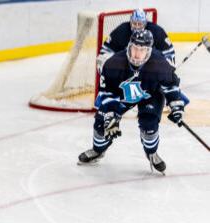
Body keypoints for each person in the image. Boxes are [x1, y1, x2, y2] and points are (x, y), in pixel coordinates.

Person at [78, 30, 185, 174]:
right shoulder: (113, 63)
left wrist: (176, 106)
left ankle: (152, 153)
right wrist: (111, 112)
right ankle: (98, 151)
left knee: (149, 125)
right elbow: (106, 92)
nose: (136, 53)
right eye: (135, 48)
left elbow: (171, 85)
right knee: (102, 122)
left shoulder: (159, 63)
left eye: (141, 50)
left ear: (148, 50)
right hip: (122, 95)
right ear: (129, 45)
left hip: (150, 94)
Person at [97, 9, 175, 72]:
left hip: (149, 74)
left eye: (140, 24)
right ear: (130, 22)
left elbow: (169, 53)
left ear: (145, 23)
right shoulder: (121, 31)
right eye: (134, 23)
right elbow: (105, 52)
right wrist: (108, 71)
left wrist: (166, 70)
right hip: (124, 73)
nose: (137, 27)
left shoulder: (157, 32)